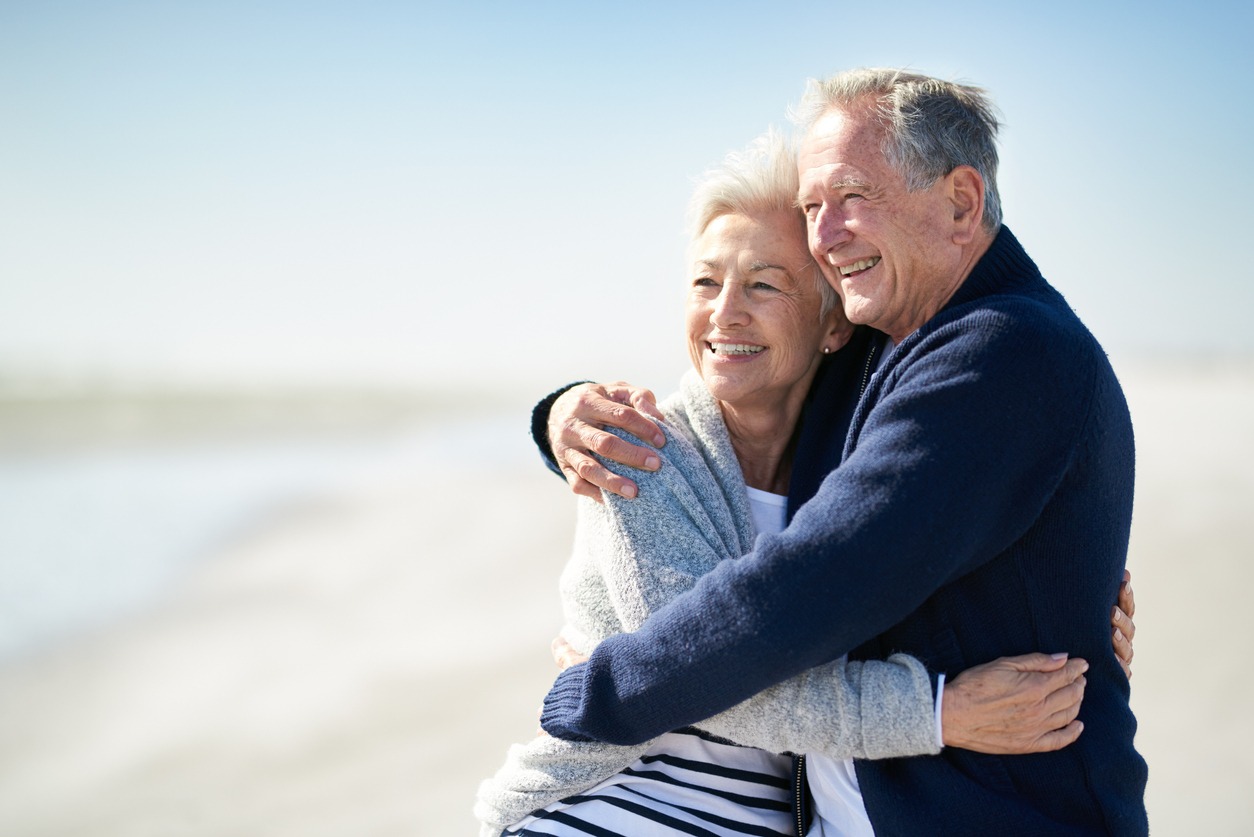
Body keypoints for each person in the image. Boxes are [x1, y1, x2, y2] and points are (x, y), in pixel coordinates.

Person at [534, 68, 1147, 834]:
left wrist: (603, 687)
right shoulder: (879, 351)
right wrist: (562, 413)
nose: (825, 237)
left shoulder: (1003, 352)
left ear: (961, 202)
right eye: (814, 207)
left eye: (852, 198)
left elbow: (812, 586)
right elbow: (740, 371)